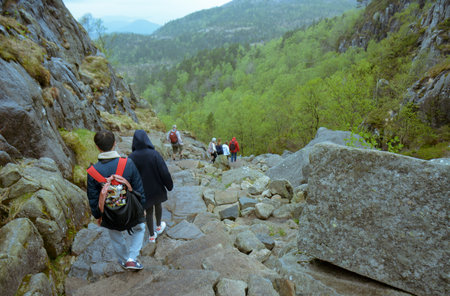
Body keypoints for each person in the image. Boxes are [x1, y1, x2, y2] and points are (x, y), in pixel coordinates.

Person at [86, 130, 146, 270]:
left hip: (109, 212)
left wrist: (98, 216)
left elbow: (93, 197)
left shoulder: (93, 172)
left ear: (97, 147)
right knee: (140, 228)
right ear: (114, 144)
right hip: (130, 208)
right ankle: (132, 258)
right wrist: (141, 208)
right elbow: (138, 188)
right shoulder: (128, 163)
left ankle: (125, 260)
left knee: (115, 234)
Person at [129, 130, 174, 243]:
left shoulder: (131, 157)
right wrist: (169, 185)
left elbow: (130, 176)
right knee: (158, 204)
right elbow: (164, 171)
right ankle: (159, 226)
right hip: (157, 187)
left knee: (148, 211)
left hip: (143, 190)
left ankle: (151, 236)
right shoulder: (154, 154)